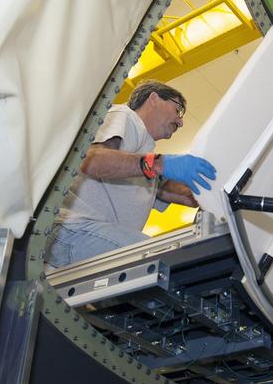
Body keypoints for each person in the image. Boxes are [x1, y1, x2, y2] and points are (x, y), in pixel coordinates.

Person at [46, 81, 217, 268]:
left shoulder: (139, 157)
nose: (181, 121)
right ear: (154, 98)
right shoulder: (126, 117)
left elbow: (184, 195)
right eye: (178, 110)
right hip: (74, 229)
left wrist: (215, 189)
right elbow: (93, 161)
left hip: (91, 237)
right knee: (165, 265)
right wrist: (160, 163)